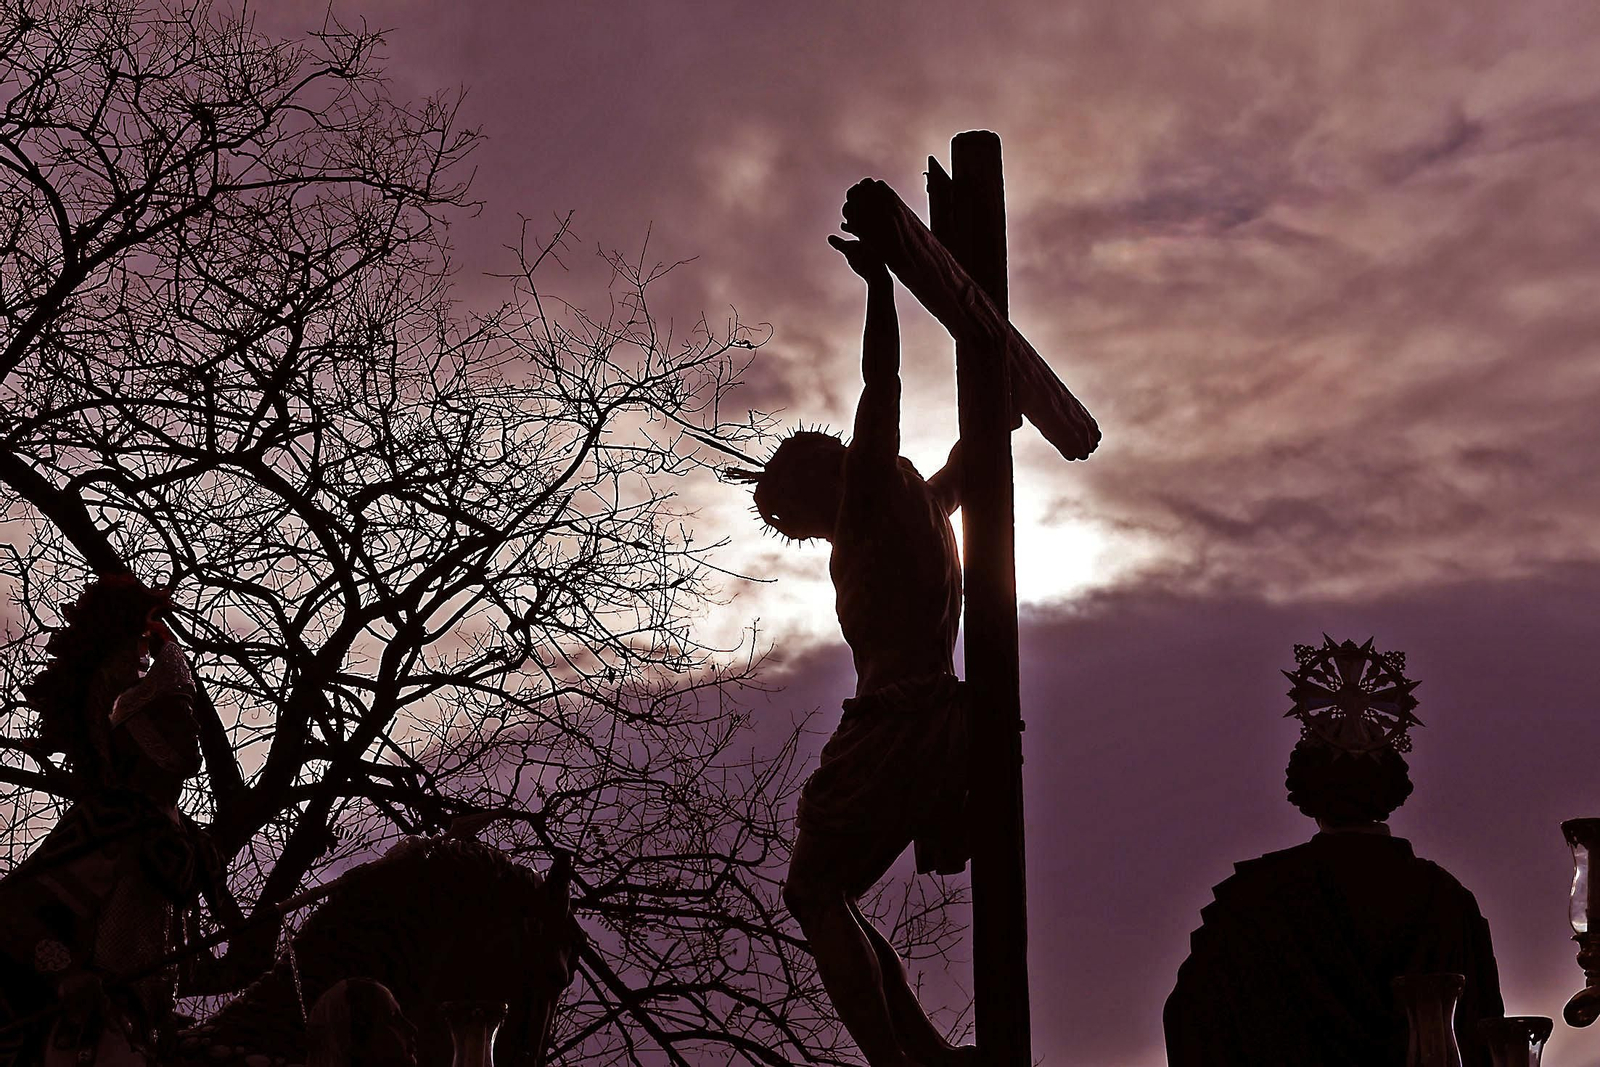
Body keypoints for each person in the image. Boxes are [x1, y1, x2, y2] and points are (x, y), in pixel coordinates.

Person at [725, 224, 973, 1067]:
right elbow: (958, 472)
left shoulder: (868, 498)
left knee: (812, 887)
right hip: (937, 710)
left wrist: (879, 282)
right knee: (833, 893)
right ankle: (924, 1050)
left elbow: (883, 381)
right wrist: (989, 419)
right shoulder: (920, 502)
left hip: (893, 723)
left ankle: (900, 1061)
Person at [1165, 703, 1504, 1065]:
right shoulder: (1448, 899)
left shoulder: (1254, 897)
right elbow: (1486, 1033)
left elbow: (1192, 1021)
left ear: (1308, 794)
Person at [0, 577, 233, 1066]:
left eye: (191, 717)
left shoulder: (192, 840)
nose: (192, 729)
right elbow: (10, 910)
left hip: (152, 1030)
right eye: (174, 718)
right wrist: (66, 973)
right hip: (84, 1030)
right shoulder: (108, 818)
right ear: (134, 734)